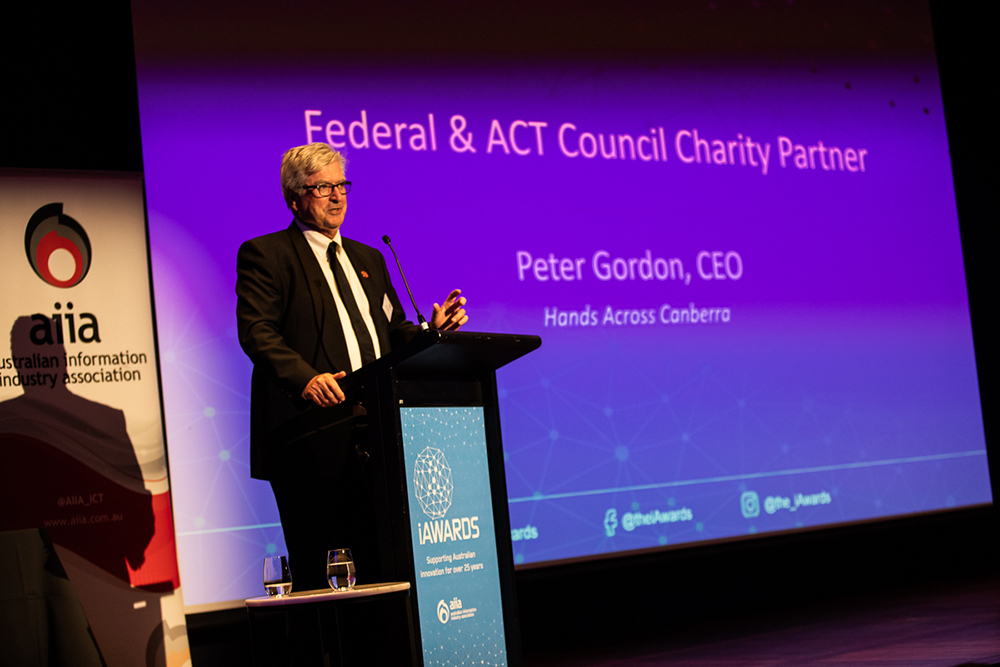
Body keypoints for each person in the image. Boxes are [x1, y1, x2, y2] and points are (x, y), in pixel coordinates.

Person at [236, 142, 467, 591]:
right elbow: (257, 331)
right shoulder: (267, 255)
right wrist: (306, 378)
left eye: (341, 185)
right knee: (323, 569)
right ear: (294, 198)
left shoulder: (368, 259)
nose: (337, 196)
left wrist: (431, 333)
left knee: (384, 564)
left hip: (374, 434)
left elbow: (392, 332)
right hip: (310, 437)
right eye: (322, 187)